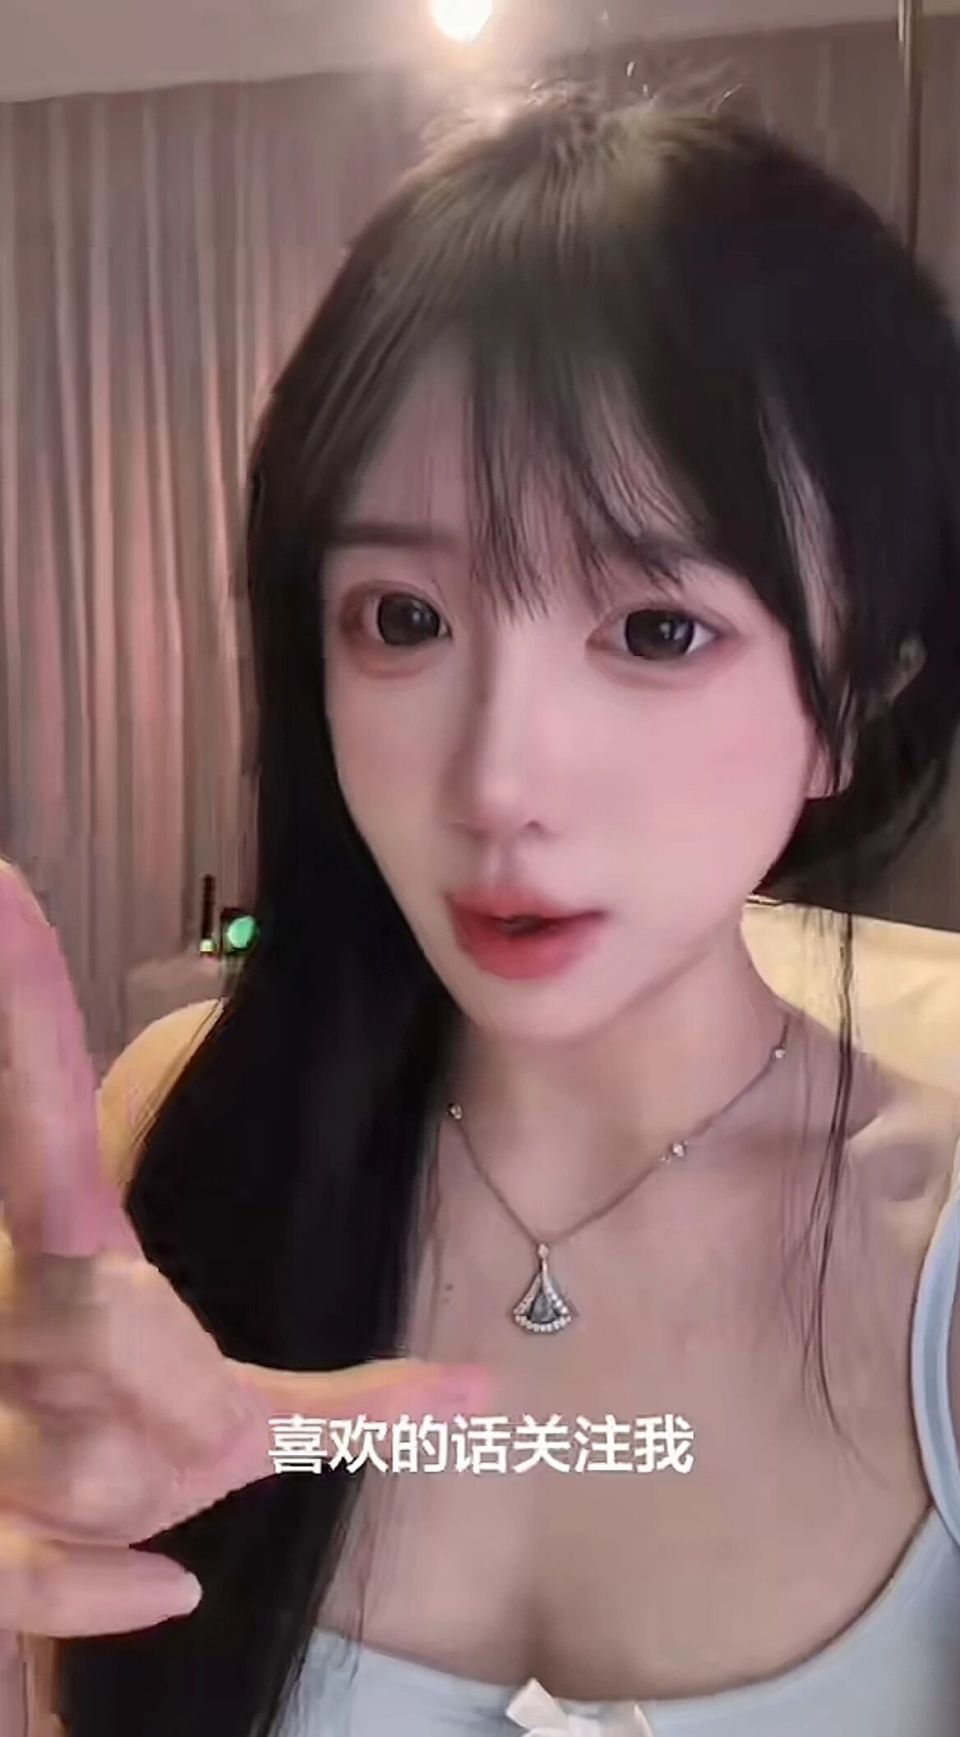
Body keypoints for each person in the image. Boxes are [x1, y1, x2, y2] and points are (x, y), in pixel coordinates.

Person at [3, 84, 960, 1737]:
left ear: (857, 700)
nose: (498, 779)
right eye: (403, 616)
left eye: (654, 628)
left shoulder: (932, 1260)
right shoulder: (194, 1123)